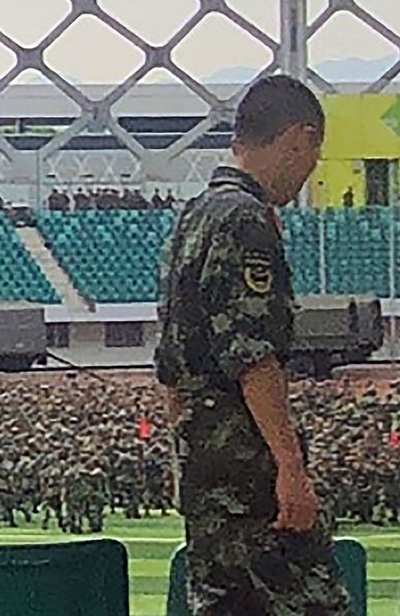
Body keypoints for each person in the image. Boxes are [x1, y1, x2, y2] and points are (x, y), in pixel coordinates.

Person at [155, 75, 353, 615]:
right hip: (250, 476)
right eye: (313, 154)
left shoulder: (193, 218)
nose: (310, 170)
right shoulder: (246, 221)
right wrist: (290, 466)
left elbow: (171, 367)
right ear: (297, 139)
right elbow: (254, 357)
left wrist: (186, 462)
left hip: (205, 473)